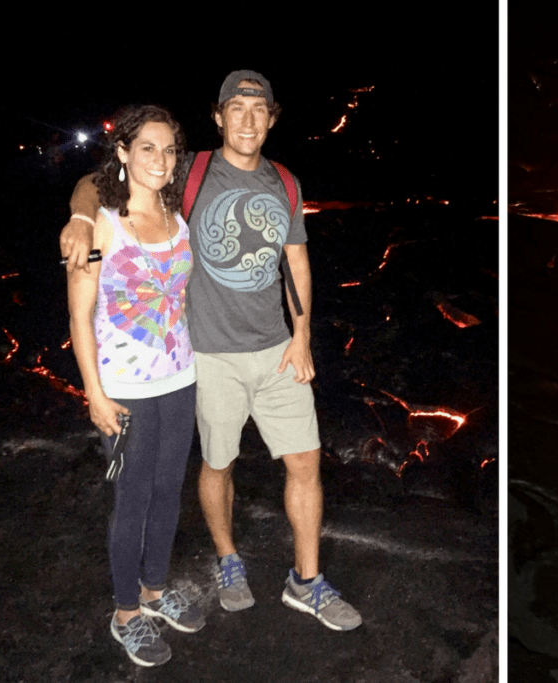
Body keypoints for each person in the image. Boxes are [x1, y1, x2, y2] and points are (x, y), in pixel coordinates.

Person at [61, 70, 362, 632]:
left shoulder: (280, 184)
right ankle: (212, 569)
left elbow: (296, 264)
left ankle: (305, 580)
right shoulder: (190, 172)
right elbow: (100, 182)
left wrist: (303, 337)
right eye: (235, 107)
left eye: (259, 108)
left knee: (299, 463)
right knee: (205, 468)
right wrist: (79, 217)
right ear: (219, 117)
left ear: (272, 118)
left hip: (250, 358)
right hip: (205, 358)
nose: (247, 118)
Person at [67, 104, 206, 667]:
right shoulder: (101, 221)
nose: (161, 158)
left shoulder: (179, 217)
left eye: (170, 149)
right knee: (131, 501)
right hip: (124, 388)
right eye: (147, 147)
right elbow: (80, 314)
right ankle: (125, 613)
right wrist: (95, 394)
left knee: (168, 493)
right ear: (123, 152)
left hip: (180, 379)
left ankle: (153, 591)